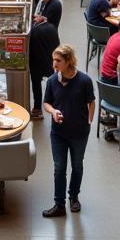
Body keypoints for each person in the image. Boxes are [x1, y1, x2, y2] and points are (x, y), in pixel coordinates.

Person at [41, 44, 95, 217]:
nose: (54, 64)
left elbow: (91, 101)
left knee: (77, 166)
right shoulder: (51, 81)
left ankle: (74, 197)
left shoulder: (84, 81)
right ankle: (59, 204)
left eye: (58, 60)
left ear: (68, 61)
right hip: (58, 132)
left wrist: (90, 120)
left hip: (79, 132)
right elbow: (46, 103)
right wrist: (53, 111)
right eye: (53, 60)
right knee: (59, 168)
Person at [29, 16, 60, 118]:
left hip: (36, 63)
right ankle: (56, 106)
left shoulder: (34, 31)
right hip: (51, 62)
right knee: (54, 83)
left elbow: (30, 48)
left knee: (36, 85)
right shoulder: (52, 28)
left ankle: (37, 109)